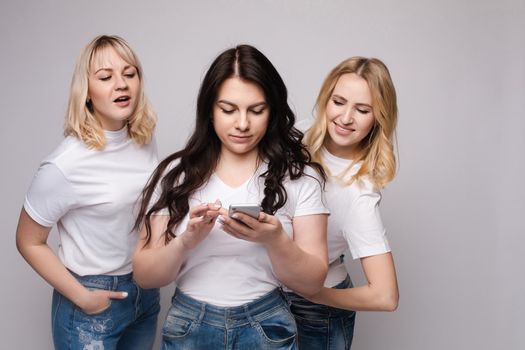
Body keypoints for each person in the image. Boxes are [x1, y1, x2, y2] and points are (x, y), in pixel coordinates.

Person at [133, 44, 329, 349]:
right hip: (190, 324)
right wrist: (187, 240)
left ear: (273, 111)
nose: (242, 124)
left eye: (256, 110)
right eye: (228, 110)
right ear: (210, 110)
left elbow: (312, 282)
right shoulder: (175, 174)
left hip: (267, 324)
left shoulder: (301, 177)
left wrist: (275, 239)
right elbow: (145, 276)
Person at [15, 35, 160, 350]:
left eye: (129, 73)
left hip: (144, 294)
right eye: (106, 77)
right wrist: (83, 297)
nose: (121, 84)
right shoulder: (65, 164)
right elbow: (28, 240)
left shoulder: (143, 141)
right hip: (91, 303)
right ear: (87, 91)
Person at [288, 57, 400, 349]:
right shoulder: (295, 135)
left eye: (362, 110)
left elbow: (385, 296)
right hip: (262, 295)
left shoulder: (359, 189)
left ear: (379, 118)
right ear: (326, 98)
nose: (346, 117)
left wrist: (316, 295)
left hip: (315, 313)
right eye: (339, 102)